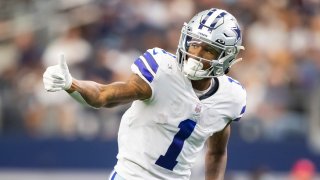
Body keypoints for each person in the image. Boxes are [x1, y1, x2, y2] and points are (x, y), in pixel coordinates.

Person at [43, 8, 247, 180]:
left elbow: (217, 152)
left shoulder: (230, 97)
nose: (196, 54)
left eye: (209, 50)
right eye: (194, 44)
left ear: (226, 58)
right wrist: (71, 84)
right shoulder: (161, 71)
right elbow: (104, 95)